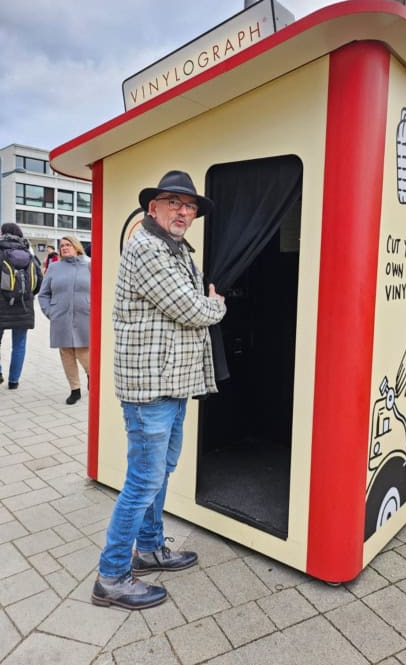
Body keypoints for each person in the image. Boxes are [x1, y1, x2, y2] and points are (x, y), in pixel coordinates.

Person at [92, 170, 226, 610]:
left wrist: (203, 304)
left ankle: (149, 548)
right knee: (143, 480)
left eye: (189, 206)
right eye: (174, 203)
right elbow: (190, 308)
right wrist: (217, 304)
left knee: (161, 470)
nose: (183, 212)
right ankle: (111, 576)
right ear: (153, 208)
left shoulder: (177, 250)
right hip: (150, 388)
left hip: (172, 381)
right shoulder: (148, 248)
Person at [39, 235, 90, 405]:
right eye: (62, 246)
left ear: (77, 247)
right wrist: (50, 312)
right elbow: (43, 294)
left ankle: (92, 376)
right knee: (67, 354)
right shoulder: (54, 268)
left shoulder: (90, 264)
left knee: (84, 353)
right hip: (60, 318)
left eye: (68, 245)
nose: (64, 248)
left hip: (85, 318)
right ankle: (75, 390)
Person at [0, 223, 43, 389]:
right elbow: (39, 280)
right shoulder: (28, 253)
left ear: (3, 233)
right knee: (19, 345)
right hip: (24, 306)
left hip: (2, 304)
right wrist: (29, 296)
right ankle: (14, 381)